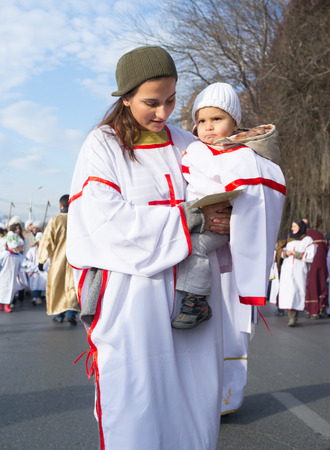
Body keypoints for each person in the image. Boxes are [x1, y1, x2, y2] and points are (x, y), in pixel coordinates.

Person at [67, 46, 231, 450]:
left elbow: (217, 192)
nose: (163, 113)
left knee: (194, 397)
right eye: (151, 103)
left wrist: (228, 209)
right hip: (132, 297)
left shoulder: (184, 142)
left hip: (189, 296)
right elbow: (106, 222)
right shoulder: (103, 144)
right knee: (137, 400)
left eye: (172, 99)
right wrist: (191, 219)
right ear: (125, 97)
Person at [172, 82, 286, 329]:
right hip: (194, 216)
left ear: (234, 123)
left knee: (193, 247)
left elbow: (258, 190)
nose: (208, 126)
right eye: (201, 121)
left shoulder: (243, 155)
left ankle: (196, 300)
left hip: (217, 225)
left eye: (216, 118)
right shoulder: (196, 150)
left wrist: (238, 214)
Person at [38, 195, 79, 325]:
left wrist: (41, 260)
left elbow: (46, 242)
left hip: (58, 260)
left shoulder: (55, 220)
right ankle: (71, 313)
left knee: (58, 286)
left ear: (60, 205)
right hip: (75, 260)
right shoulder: (78, 220)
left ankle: (59, 315)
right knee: (72, 287)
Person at [278, 219, 316, 326]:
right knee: (289, 292)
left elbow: (311, 254)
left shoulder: (307, 240)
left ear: (300, 227)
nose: (292, 228)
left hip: (299, 270)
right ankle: (292, 317)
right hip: (287, 269)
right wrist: (286, 253)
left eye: (294, 226)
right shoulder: (288, 238)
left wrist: (297, 254)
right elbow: (279, 251)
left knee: (296, 291)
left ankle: (293, 317)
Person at [303, 224, 328, 319]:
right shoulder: (319, 234)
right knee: (321, 285)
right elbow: (326, 250)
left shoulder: (304, 236)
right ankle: (322, 308)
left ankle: (313, 311)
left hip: (311, 264)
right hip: (322, 265)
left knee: (312, 287)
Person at [0, 232, 26, 313]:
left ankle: (7, 305)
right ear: (15, 246)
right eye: (20, 247)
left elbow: (24, 263)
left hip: (13, 276)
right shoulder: (6, 254)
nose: (21, 248)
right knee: (2, 289)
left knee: (11, 290)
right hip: (4, 275)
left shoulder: (18, 255)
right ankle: (1, 304)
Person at [23, 232, 50, 306]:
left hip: (44, 270)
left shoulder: (47, 250)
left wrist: (45, 268)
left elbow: (49, 261)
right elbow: (27, 260)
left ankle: (39, 297)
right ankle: (35, 297)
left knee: (42, 284)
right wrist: (34, 266)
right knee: (35, 284)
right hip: (35, 270)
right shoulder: (32, 250)